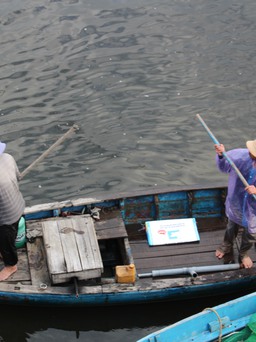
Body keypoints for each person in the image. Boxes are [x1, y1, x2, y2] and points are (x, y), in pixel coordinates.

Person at [214, 140, 256, 268]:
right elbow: (224, 167)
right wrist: (221, 155)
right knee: (232, 224)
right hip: (237, 199)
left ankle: (243, 253)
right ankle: (226, 245)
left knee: (252, 233)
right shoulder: (239, 156)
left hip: (254, 208)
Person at [0, 141, 25, 280]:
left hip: (6, 216)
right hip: (18, 204)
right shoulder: (8, 157)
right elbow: (18, 177)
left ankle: (11, 266)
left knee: (6, 241)